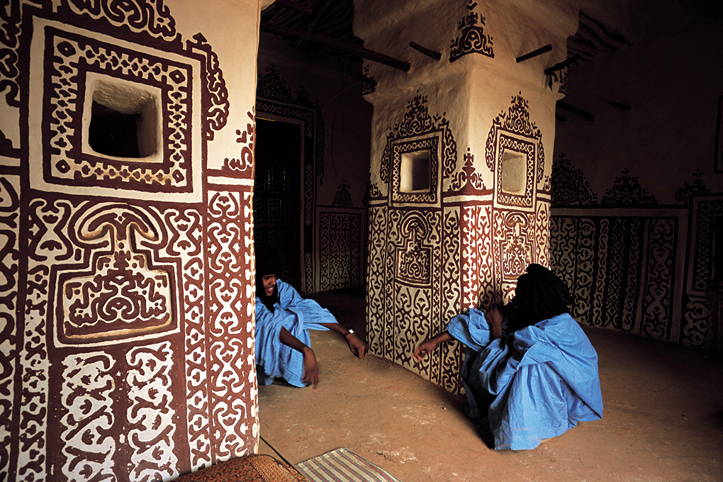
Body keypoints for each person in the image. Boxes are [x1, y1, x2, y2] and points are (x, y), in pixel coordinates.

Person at [413, 264, 603, 450]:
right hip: (540, 377)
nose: (514, 302)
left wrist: (497, 329)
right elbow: (479, 323)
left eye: (519, 298)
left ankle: (528, 428)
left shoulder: (556, 329)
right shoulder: (530, 311)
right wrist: (436, 341)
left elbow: (499, 374)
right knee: (493, 340)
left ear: (532, 300)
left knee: (529, 366)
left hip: (560, 398)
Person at [255, 250, 365, 390]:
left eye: (275, 277)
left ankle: (285, 367)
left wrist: (347, 334)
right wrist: (306, 350)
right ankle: (268, 369)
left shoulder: (280, 288)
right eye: (267, 278)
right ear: (256, 278)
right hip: (255, 353)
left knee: (297, 315)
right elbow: (271, 325)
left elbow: (308, 310)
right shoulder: (249, 297)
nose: (272, 282)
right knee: (283, 319)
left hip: (277, 346)